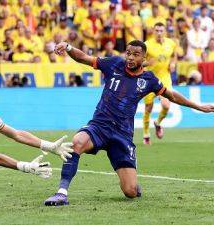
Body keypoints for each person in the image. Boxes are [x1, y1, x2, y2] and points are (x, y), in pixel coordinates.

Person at [44, 40, 214, 206]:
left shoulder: (149, 80)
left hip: (122, 135)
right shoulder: (114, 64)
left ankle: (132, 182)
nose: (131, 57)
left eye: (136, 54)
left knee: (130, 191)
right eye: (128, 53)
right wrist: (68, 47)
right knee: (77, 143)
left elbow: (172, 96)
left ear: (144, 58)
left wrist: (198, 106)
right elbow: (84, 58)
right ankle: (61, 193)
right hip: (100, 126)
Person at [142, 22, 177, 145]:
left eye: (161, 30)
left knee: (167, 105)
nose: (159, 33)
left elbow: (174, 55)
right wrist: (148, 63)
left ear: (165, 31)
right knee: (148, 108)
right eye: (157, 30)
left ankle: (157, 123)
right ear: (153, 31)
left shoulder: (171, 43)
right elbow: (139, 62)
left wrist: (173, 63)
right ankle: (146, 134)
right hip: (149, 79)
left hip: (164, 77)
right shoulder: (147, 45)